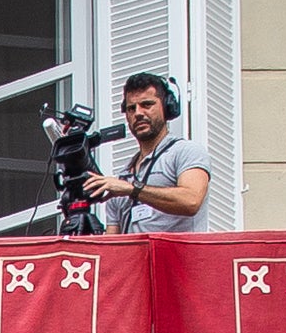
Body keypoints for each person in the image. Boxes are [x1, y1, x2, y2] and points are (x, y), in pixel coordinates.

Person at [87, 70, 211, 229]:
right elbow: (113, 245)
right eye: (131, 108)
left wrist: (132, 190)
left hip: (178, 255)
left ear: (167, 107)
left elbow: (191, 201)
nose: (138, 113)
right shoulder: (122, 179)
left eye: (147, 105)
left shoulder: (186, 151)